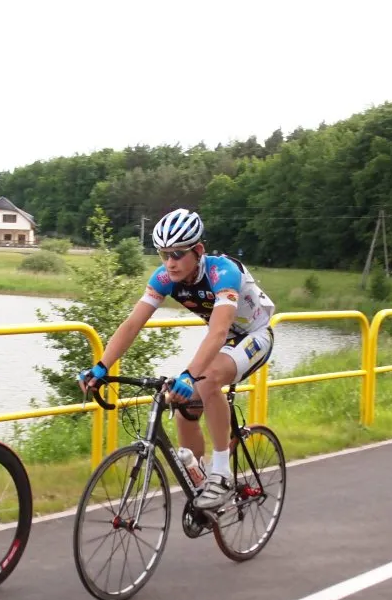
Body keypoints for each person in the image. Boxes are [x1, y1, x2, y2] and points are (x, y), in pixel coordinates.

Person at [79, 208, 275, 510]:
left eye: (177, 254)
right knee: (181, 402)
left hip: (254, 336)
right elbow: (132, 324)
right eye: (163, 254)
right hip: (223, 341)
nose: (169, 262)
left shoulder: (222, 273)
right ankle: (200, 484)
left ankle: (221, 473)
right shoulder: (164, 278)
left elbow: (220, 331)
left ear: (198, 251)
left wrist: (189, 374)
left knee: (207, 378)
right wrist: (102, 366)